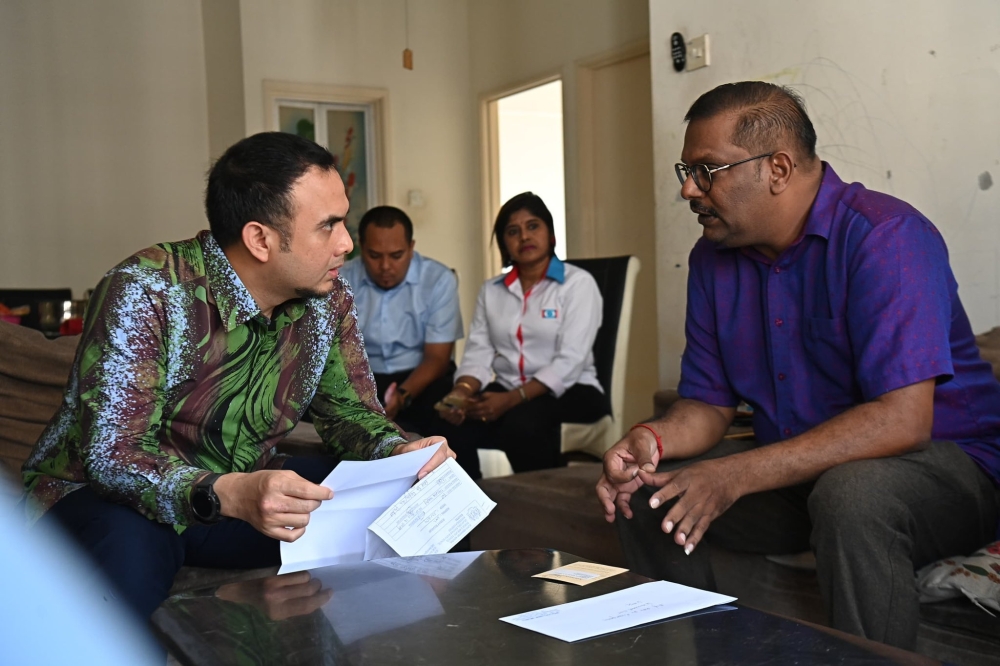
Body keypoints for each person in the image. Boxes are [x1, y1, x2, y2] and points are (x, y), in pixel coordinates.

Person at [596, 81, 1000, 650]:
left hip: (951, 471)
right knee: (649, 492)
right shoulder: (713, 259)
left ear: (778, 169)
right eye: (685, 170)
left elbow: (903, 421)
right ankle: (697, 652)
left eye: (707, 170)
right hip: (808, 471)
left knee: (853, 493)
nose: (689, 188)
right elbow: (707, 406)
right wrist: (647, 440)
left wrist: (734, 475)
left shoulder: (887, 238)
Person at [21, 132, 454, 620]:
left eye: (344, 221)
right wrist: (227, 492)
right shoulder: (148, 290)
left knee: (394, 499)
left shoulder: (326, 299)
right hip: (106, 500)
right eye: (328, 226)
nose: (348, 244)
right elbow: (114, 456)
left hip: (243, 491)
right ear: (260, 239)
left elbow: (351, 412)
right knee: (132, 546)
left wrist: (397, 452)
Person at [436, 192, 609, 479]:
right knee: (451, 423)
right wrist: (462, 393)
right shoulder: (492, 290)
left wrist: (511, 399)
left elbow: (571, 360)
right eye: (513, 231)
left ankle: (541, 506)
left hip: (573, 389)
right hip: (507, 387)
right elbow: (478, 352)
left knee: (522, 423)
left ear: (551, 235)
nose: (524, 237)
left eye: (533, 226)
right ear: (504, 243)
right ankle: (473, 502)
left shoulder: (577, 284)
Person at [340, 206, 463, 435]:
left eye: (396, 255)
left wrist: (403, 395)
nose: (385, 266)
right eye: (374, 256)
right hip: (361, 377)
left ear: (411, 248)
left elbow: (437, 358)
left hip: (422, 376)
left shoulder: (438, 279)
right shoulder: (341, 279)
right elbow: (336, 352)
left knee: (448, 420)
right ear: (361, 248)